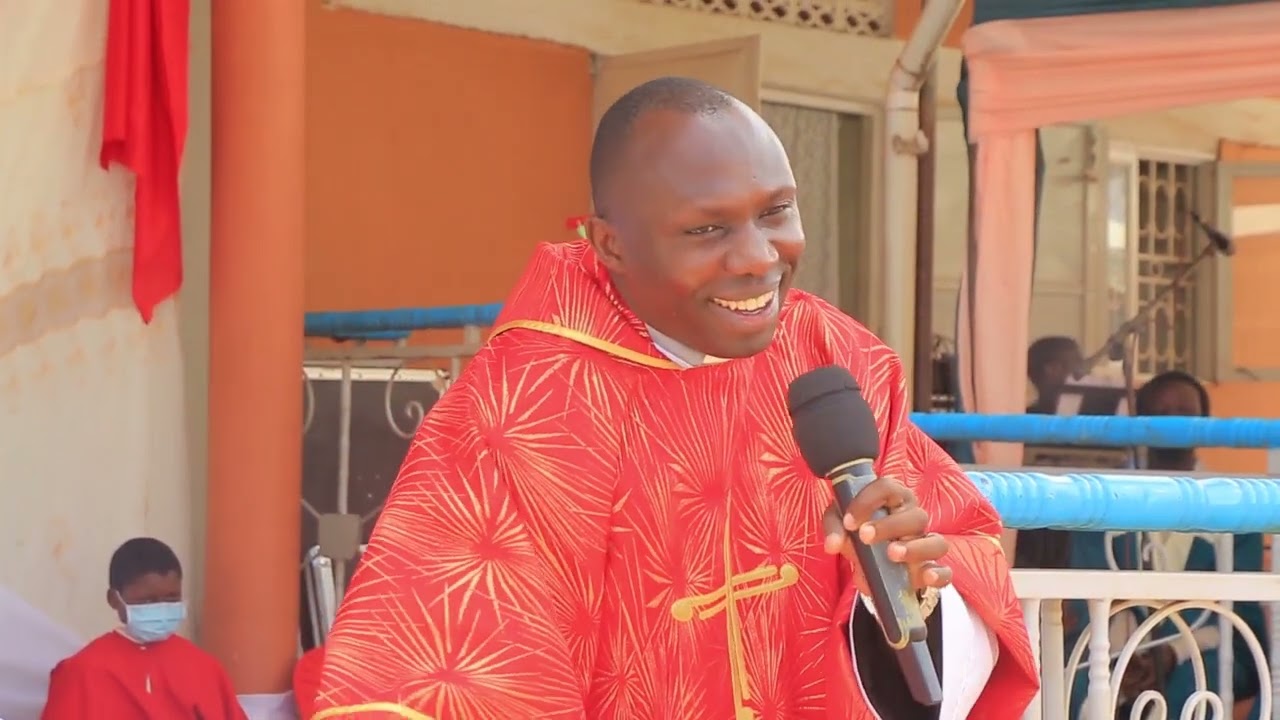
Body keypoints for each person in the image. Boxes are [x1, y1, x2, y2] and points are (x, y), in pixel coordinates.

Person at [313, 77, 1038, 719]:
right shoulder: (530, 409)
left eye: (775, 212)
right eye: (707, 229)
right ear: (611, 245)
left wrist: (904, 598)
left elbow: (956, 550)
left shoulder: (831, 358)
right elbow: (455, 666)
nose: (758, 257)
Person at [1067, 371, 1267, 719]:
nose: (1173, 422)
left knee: (1196, 683)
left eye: (1184, 412)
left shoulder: (1234, 505)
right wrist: (1125, 654)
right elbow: (1088, 601)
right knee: (1078, 684)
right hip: (1111, 643)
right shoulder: (1099, 497)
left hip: (1209, 649)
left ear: (1205, 422)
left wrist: (1174, 650)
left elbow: (1238, 616)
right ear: (1139, 421)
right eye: (1161, 412)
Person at [40, 537, 247, 720]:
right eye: (147, 601)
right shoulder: (82, 672)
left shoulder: (205, 668)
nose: (160, 608)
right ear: (114, 599)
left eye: (171, 598)